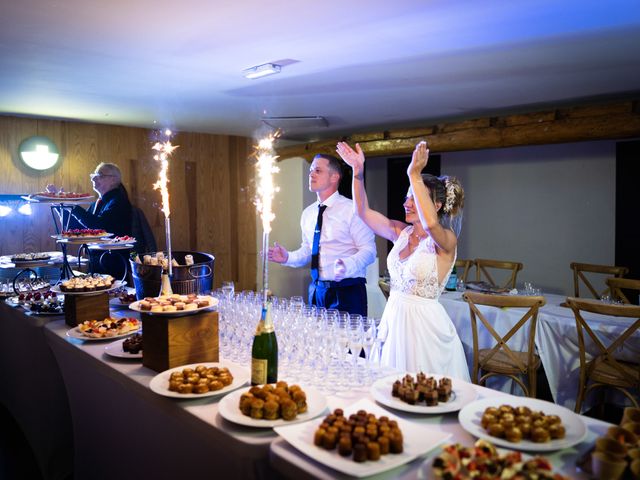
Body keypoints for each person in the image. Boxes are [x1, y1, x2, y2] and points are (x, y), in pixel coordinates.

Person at [336, 140, 470, 380]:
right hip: (394, 322)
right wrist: (358, 172)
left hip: (425, 330)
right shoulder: (400, 232)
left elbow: (430, 224)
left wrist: (414, 174)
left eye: (415, 198)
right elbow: (362, 212)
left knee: (424, 393)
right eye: (408, 197)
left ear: (436, 205)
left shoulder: (445, 240)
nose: (406, 203)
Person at [268, 154, 376, 315]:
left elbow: (370, 251)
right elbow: (308, 251)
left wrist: (347, 265)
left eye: (318, 170)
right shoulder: (308, 213)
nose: (311, 174)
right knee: (317, 339)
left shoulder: (352, 210)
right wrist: (287, 258)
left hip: (347, 291)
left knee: (347, 340)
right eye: (311, 170)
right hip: (316, 291)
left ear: (334, 177)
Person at [63, 162, 134, 279]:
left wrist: (74, 207)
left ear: (113, 180)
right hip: (97, 258)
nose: (94, 178)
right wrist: (61, 205)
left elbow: (98, 226)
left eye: (100, 175)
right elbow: (78, 229)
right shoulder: (97, 203)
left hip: (113, 260)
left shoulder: (118, 201)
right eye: (94, 175)